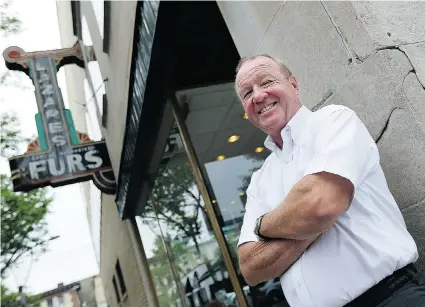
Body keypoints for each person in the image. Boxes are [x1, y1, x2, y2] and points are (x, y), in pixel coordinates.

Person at [235, 54, 425, 307]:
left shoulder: (333, 122)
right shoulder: (260, 180)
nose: (258, 96)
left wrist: (262, 226)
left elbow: (319, 206)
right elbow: (251, 268)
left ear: (293, 85)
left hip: (389, 298)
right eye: (247, 93)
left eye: (266, 81)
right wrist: (311, 223)